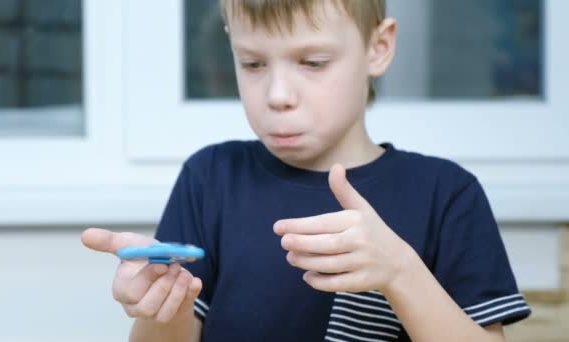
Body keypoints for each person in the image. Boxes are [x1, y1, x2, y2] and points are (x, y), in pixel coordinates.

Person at [81, 0, 531, 341]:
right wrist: (165, 302)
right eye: (253, 63)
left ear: (378, 48)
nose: (277, 94)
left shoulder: (445, 193)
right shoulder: (210, 178)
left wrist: (399, 273)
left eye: (312, 63)